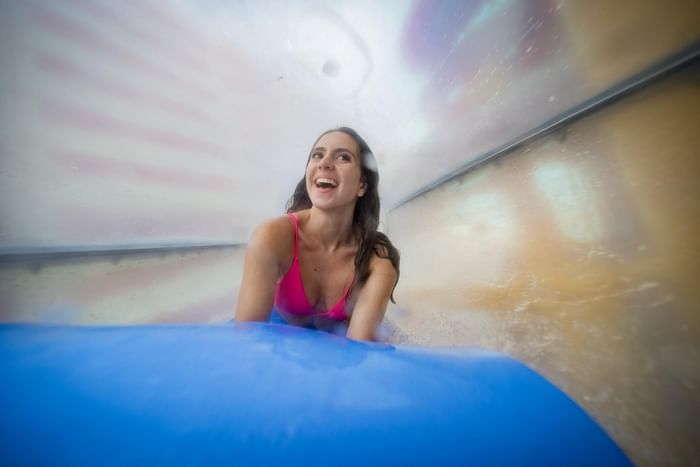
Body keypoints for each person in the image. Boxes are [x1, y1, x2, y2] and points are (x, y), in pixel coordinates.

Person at [235, 127, 400, 341]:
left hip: (340, 349)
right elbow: (246, 339)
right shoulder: (272, 238)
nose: (324, 163)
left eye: (343, 157)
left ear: (362, 185)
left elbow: (360, 349)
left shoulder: (376, 260)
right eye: (317, 155)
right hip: (277, 338)